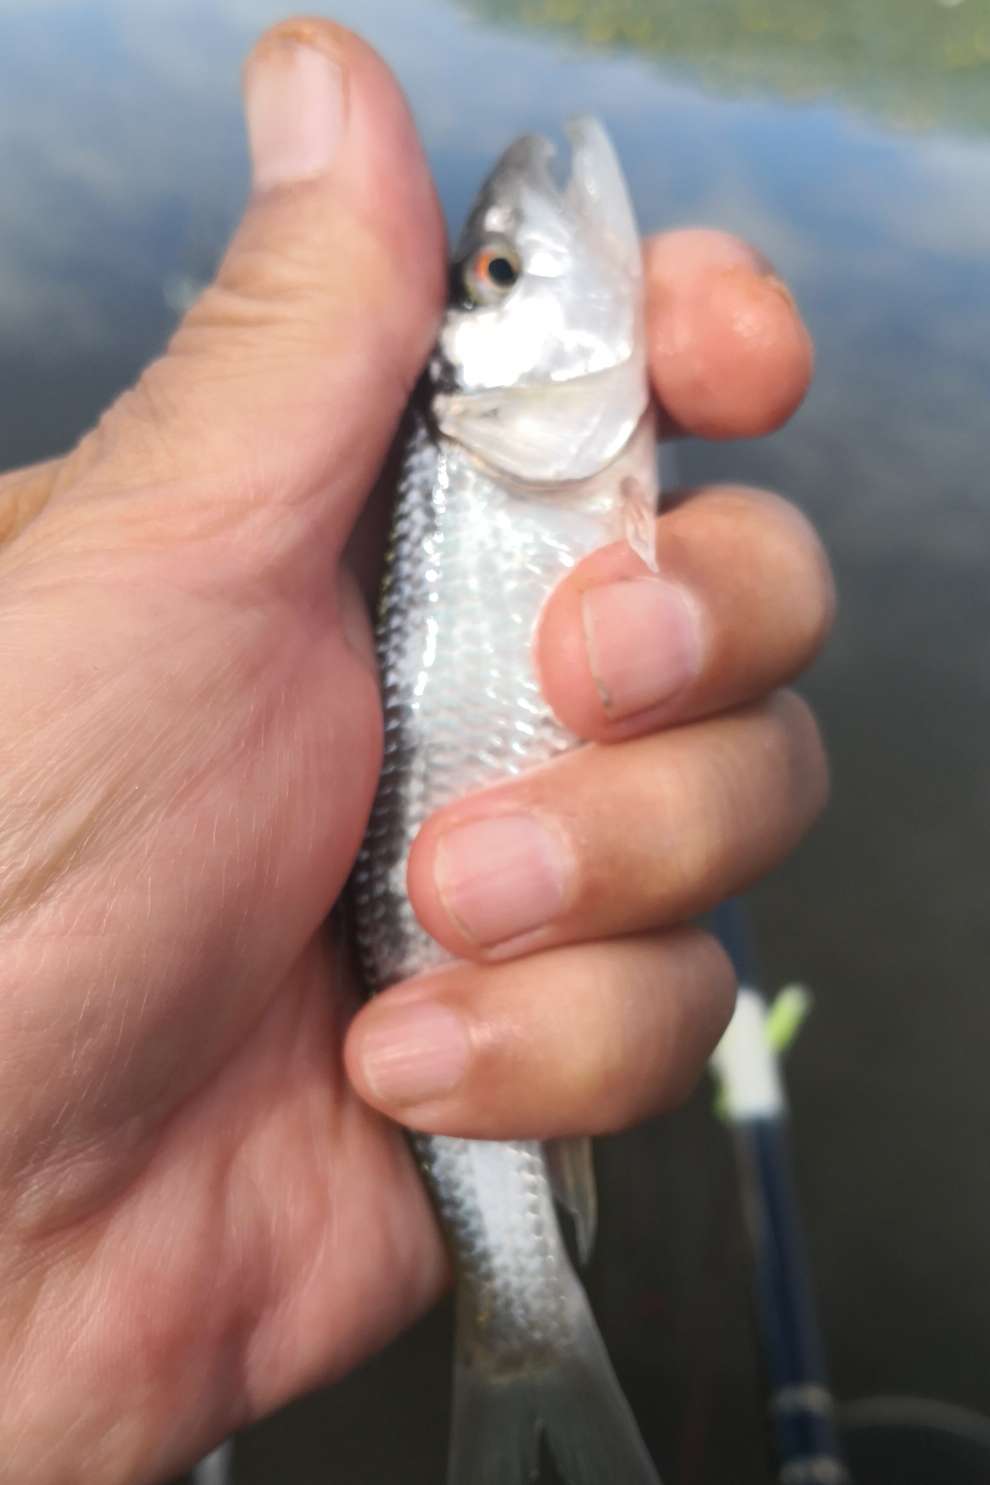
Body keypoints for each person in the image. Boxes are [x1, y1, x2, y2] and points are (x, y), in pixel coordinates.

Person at [0, 18, 832, 1482]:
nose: (517, 254)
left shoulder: (500, 455)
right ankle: (525, 1314)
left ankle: (525, 1307)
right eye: (502, 274)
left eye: (491, 270)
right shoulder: (479, 452)